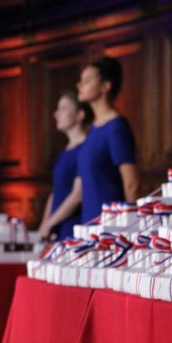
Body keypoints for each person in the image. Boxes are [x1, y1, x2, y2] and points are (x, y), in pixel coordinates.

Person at [41, 56, 140, 232]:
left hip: (111, 230)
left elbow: (131, 183)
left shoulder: (116, 127)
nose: (80, 85)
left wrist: (131, 231)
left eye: (87, 80)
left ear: (105, 86)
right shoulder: (93, 130)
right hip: (89, 228)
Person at [37, 91, 92, 239]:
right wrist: (45, 224)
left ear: (80, 115)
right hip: (58, 228)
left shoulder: (86, 148)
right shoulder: (64, 151)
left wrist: (50, 223)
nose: (56, 114)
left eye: (63, 108)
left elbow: (77, 195)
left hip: (73, 227)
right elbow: (56, 192)